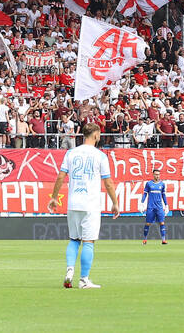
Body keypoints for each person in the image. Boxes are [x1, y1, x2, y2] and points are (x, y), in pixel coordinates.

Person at [47, 123, 120, 289]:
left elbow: (60, 177)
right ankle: (84, 279)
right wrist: (114, 203)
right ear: (95, 135)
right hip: (90, 203)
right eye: (99, 134)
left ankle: (69, 270)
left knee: (74, 239)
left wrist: (54, 197)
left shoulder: (71, 153)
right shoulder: (100, 156)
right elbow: (108, 182)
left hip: (73, 202)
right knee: (88, 241)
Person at [140, 168, 168, 245]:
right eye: (156, 174)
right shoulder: (149, 184)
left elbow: (163, 195)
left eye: (158, 174)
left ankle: (163, 240)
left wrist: (166, 205)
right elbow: (145, 193)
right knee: (148, 223)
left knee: (162, 223)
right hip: (151, 207)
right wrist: (142, 203)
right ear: (153, 175)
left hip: (159, 207)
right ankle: (145, 240)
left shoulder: (162, 184)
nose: (157, 176)